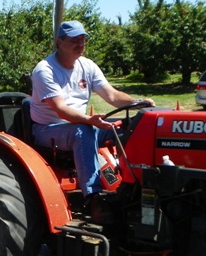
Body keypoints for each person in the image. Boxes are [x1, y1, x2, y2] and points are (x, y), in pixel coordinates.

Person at [29, 20, 155, 195]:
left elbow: (112, 95)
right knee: (84, 131)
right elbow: (61, 109)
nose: (80, 44)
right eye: (74, 40)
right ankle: (93, 196)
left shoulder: (87, 66)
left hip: (80, 124)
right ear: (59, 42)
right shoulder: (45, 70)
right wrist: (89, 120)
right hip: (49, 129)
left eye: (83, 40)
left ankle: (135, 183)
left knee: (132, 126)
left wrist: (139, 103)